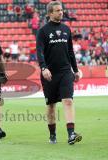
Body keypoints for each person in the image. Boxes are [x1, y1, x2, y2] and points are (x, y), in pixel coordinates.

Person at [36, 1, 82, 145]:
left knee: (68, 100)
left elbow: (70, 52)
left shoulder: (66, 29)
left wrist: (75, 70)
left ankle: (71, 134)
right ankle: (52, 134)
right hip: (49, 74)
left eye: (61, 10)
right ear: (50, 13)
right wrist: (43, 68)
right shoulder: (42, 31)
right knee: (51, 105)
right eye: (57, 10)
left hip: (65, 72)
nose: (60, 12)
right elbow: (40, 52)